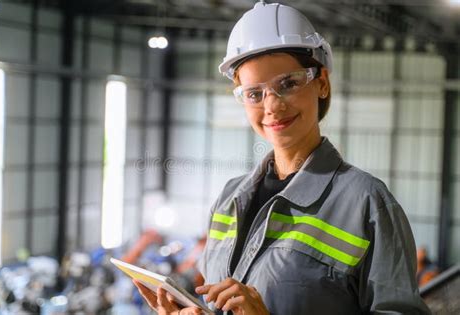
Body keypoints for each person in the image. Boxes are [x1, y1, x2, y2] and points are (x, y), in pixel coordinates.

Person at [134, 2, 431, 314]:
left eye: (287, 84)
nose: (272, 106)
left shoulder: (367, 205)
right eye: (254, 93)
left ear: (322, 83)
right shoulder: (228, 200)